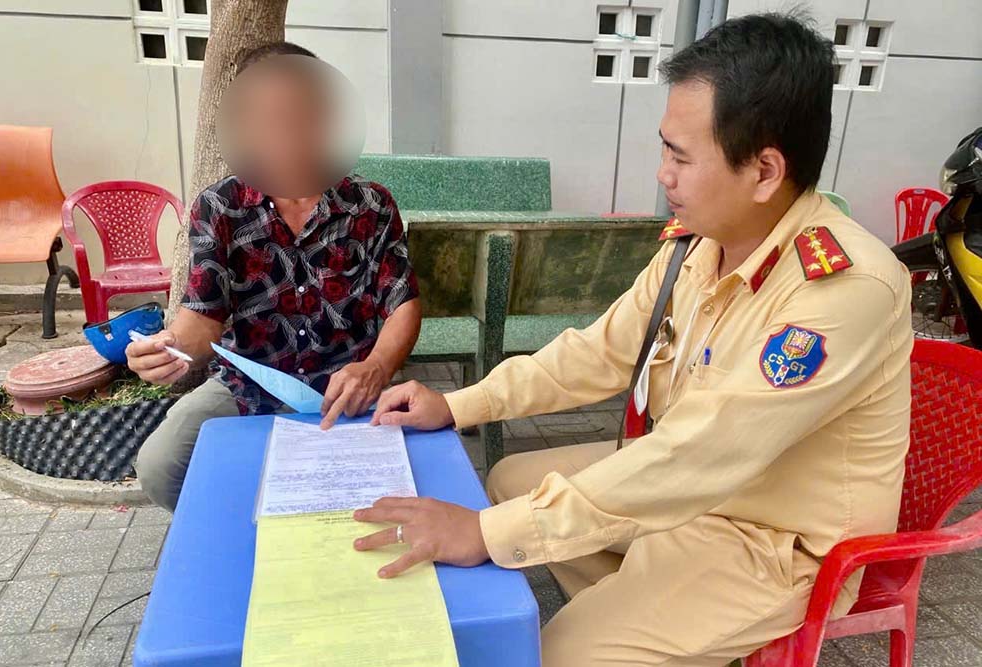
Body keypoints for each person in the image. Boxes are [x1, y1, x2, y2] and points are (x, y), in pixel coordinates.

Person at [351, 13, 912, 666]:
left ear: (763, 172)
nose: (663, 175)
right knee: (511, 475)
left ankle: (624, 633)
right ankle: (647, 624)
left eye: (680, 155)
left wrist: (483, 533)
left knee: (561, 650)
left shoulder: (843, 289)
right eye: (664, 149)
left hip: (772, 541)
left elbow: (696, 454)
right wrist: (459, 404)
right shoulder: (701, 245)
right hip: (694, 494)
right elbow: (600, 351)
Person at [127, 42, 421, 512]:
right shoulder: (219, 207)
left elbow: (402, 301)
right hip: (247, 386)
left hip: (349, 387)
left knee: (404, 476)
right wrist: (170, 352)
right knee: (162, 465)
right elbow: (202, 319)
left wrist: (377, 367)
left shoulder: (371, 205)